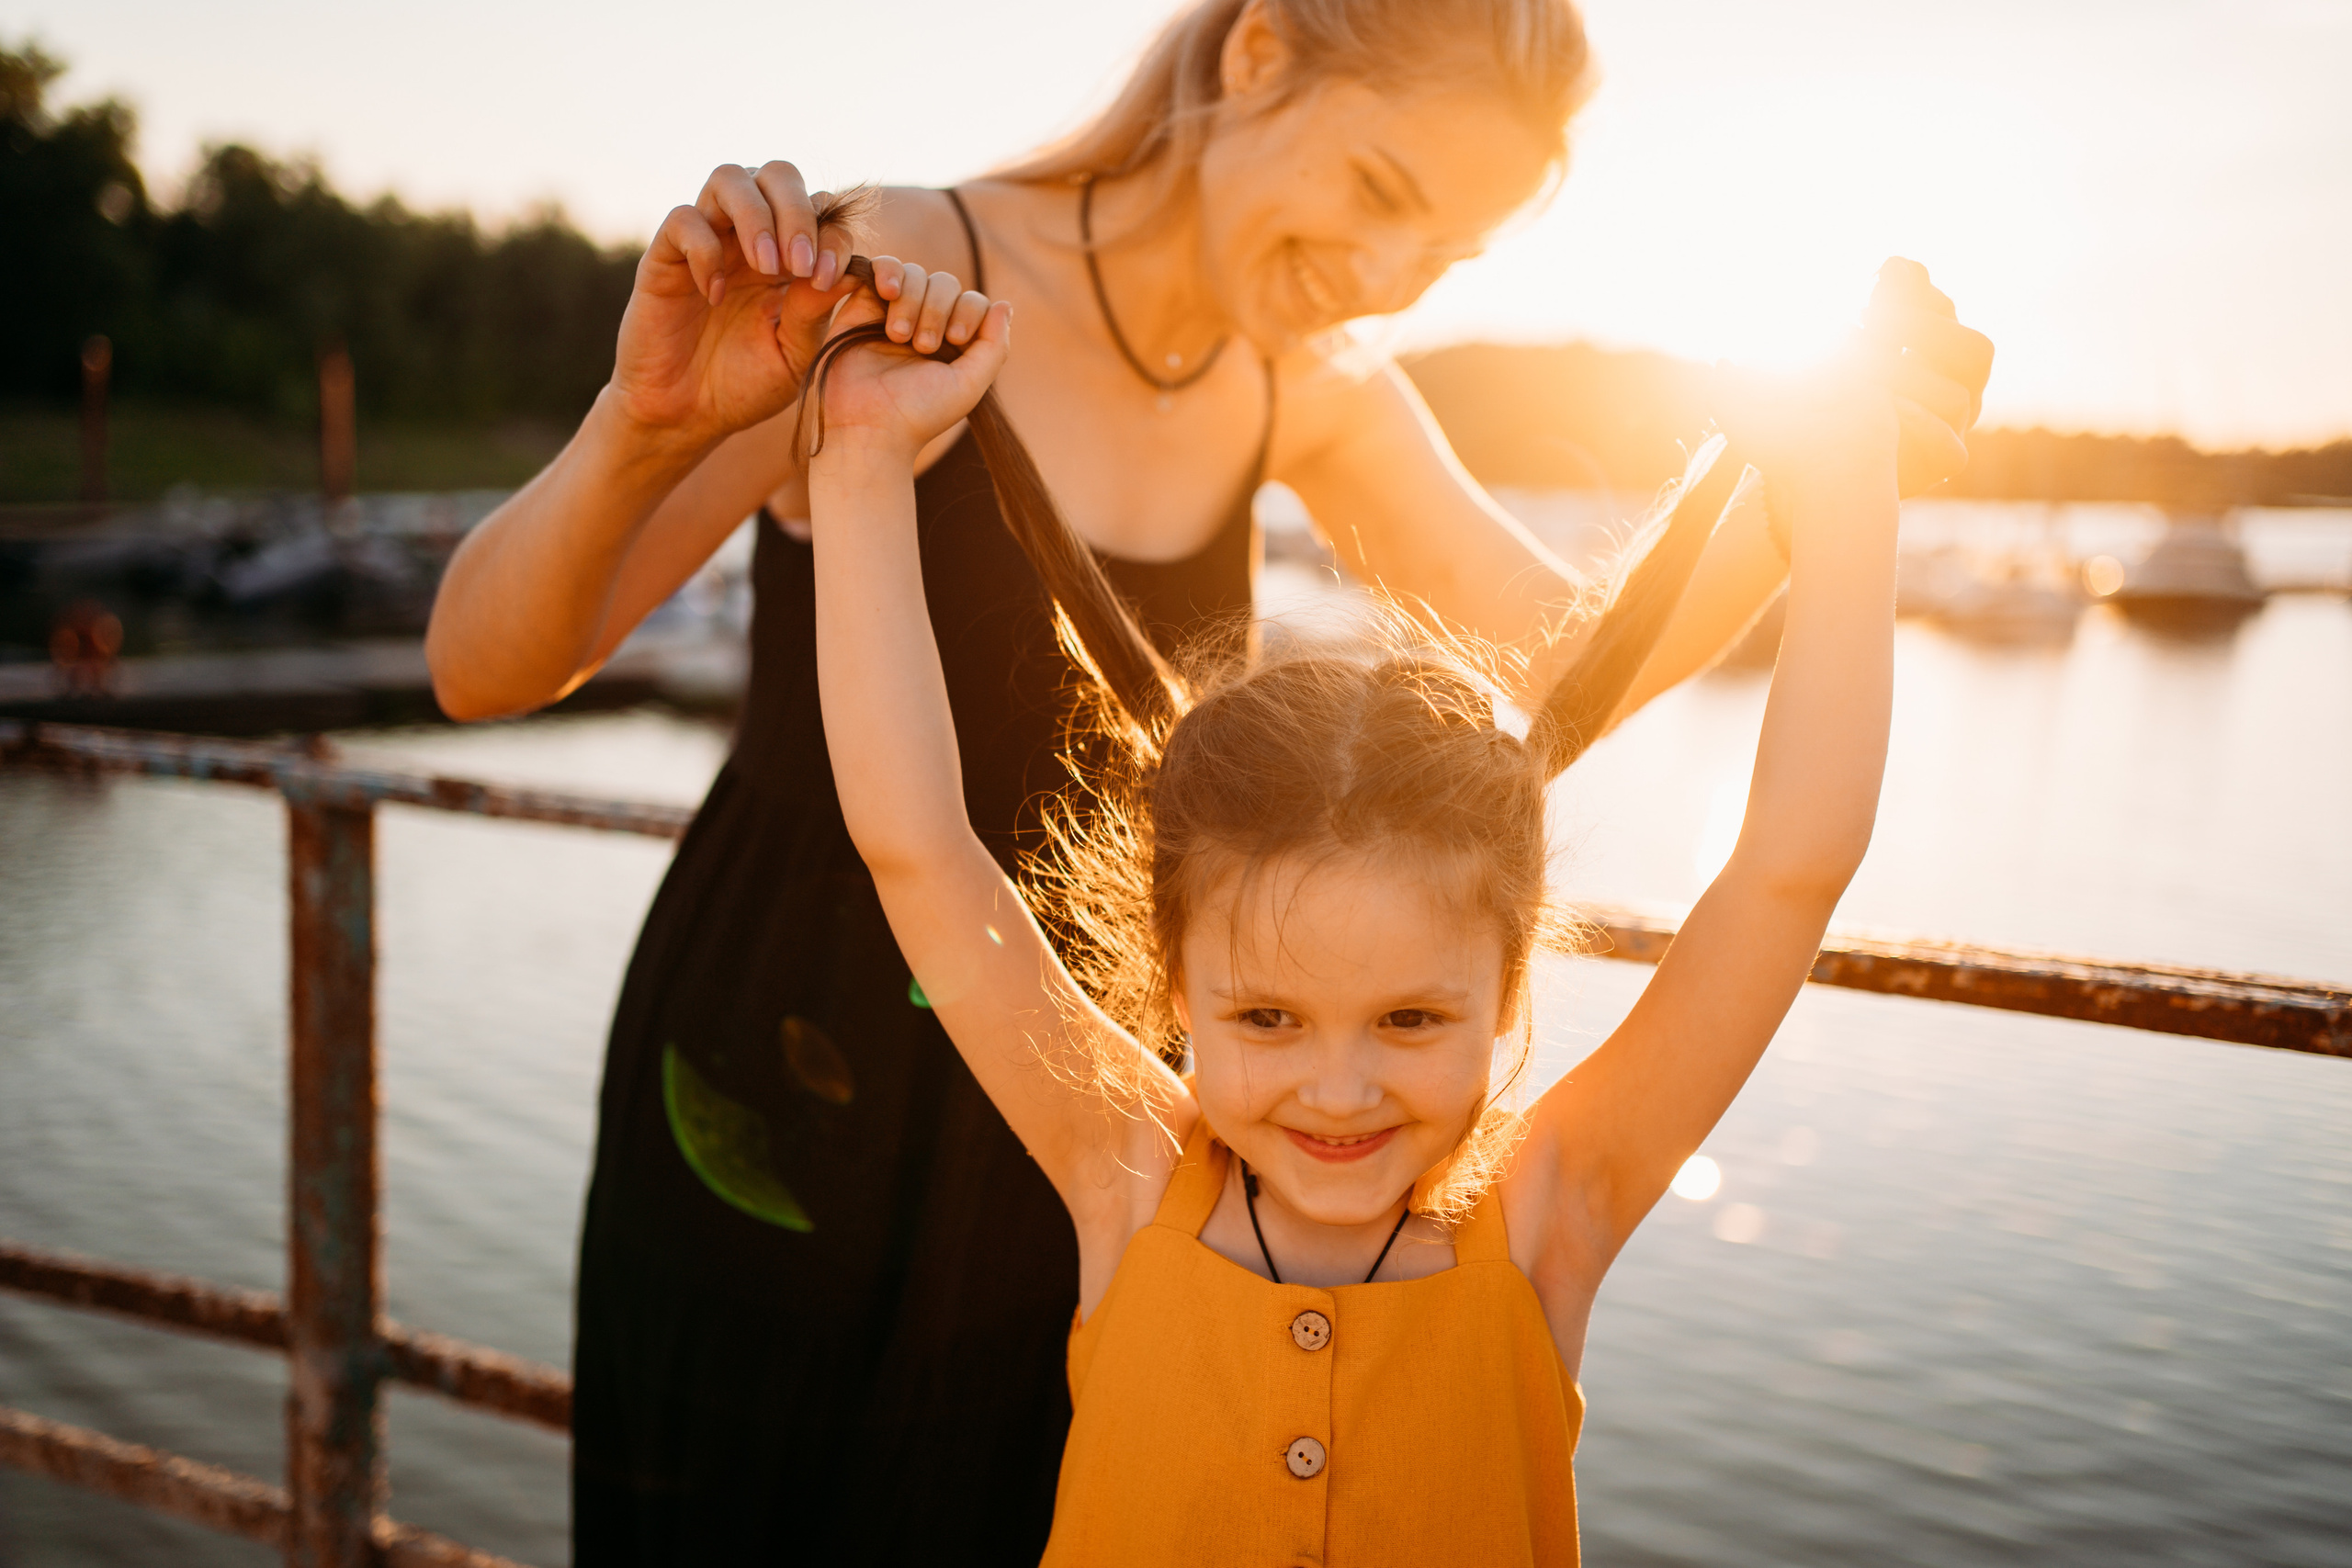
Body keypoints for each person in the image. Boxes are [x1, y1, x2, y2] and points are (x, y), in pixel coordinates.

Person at [422, 1, 1991, 1557]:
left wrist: (1834, 473)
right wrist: (655, 424)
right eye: (1381, 190)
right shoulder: (875, 291)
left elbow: (1569, 670)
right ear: (1256, 55)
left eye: (1444, 252)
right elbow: (499, 676)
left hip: (1129, 1084)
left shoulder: (1312, 387)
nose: (1387, 275)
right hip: (793, 1068)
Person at [798, 248, 1905, 1565]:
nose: (1339, 1092)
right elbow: (918, 847)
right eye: (1267, 1018)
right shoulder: (1127, 1173)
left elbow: (1789, 867)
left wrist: (1853, 494)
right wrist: (861, 456)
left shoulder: (1547, 1215)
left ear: (1506, 992)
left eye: (1410, 1019)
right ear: (1176, 987)